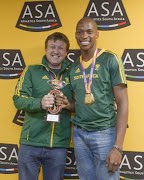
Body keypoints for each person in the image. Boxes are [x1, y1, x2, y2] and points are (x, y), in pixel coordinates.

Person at [59, 17, 128, 180]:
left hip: (105, 132)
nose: (84, 36)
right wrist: (67, 105)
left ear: (97, 34)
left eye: (89, 31)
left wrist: (117, 147)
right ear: (75, 35)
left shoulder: (110, 59)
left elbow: (123, 102)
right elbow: (78, 104)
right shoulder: (74, 67)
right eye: (80, 32)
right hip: (80, 134)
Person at [13, 32, 73, 180]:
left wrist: (68, 105)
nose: (56, 51)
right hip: (30, 142)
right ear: (45, 49)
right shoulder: (31, 71)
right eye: (52, 46)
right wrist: (39, 103)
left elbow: (80, 105)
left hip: (58, 144)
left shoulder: (73, 74)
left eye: (61, 48)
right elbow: (18, 99)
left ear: (66, 53)